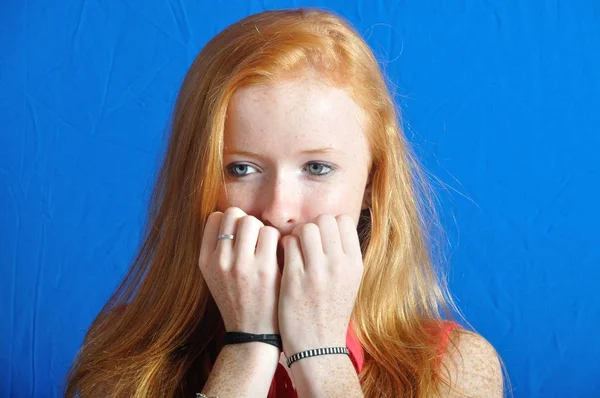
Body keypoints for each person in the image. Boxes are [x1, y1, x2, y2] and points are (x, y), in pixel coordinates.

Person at [64, 7, 507, 397]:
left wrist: (323, 358)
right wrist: (247, 349)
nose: (277, 211)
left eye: (317, 168)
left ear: (373, 184)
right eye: (241, 168)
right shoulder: (125, 353)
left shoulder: (455, 369)